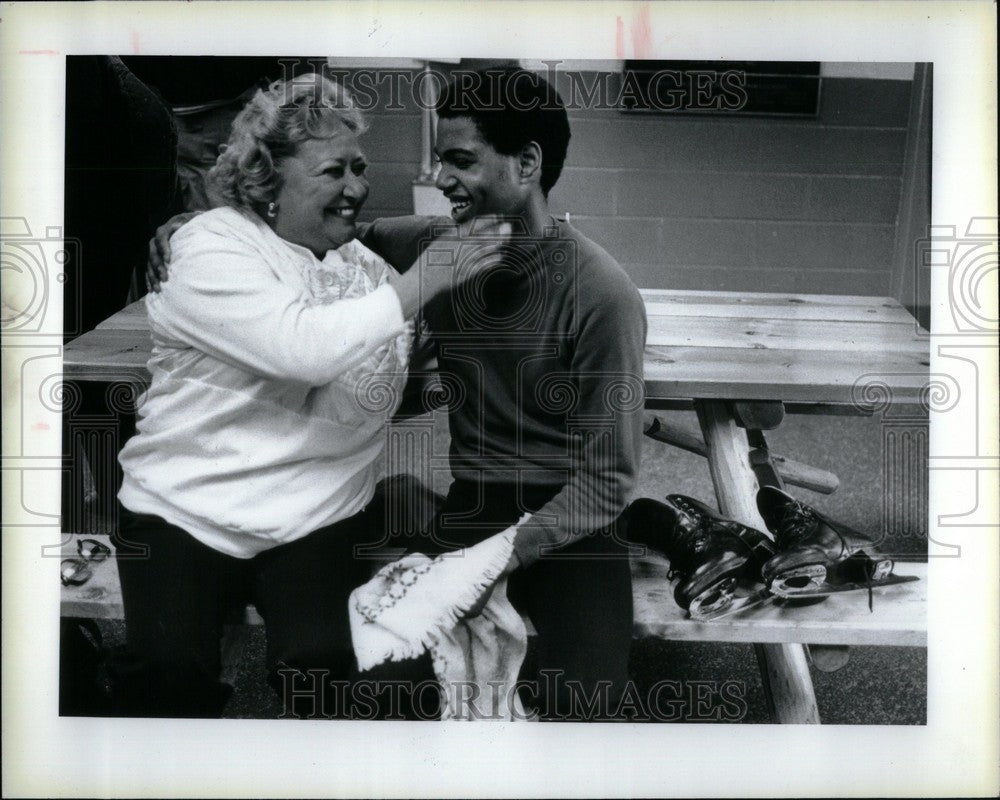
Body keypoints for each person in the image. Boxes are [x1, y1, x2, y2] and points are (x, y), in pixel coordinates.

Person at [150, 67, 647, 721]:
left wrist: (497, 559)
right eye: (441, 159)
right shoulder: (428, 246)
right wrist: (198, 224)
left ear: (527, 164)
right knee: (385, 681)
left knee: (580, 699)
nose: (441, 179)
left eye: (461, 161)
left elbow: (608, 480)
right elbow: (307, 219)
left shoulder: (603, 293)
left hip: (574, 525)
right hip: (476, 505)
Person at [113, 73, 508, 718]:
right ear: (268, 178)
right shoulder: (208, 248)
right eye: (333, 171)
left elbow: (377, 372)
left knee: (325, 673)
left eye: (360, 167)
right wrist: (429, 278)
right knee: (168, 674)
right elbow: (303, 351)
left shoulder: (365, 271)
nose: (356, 187)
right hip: (183, 509)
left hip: (316, 517)